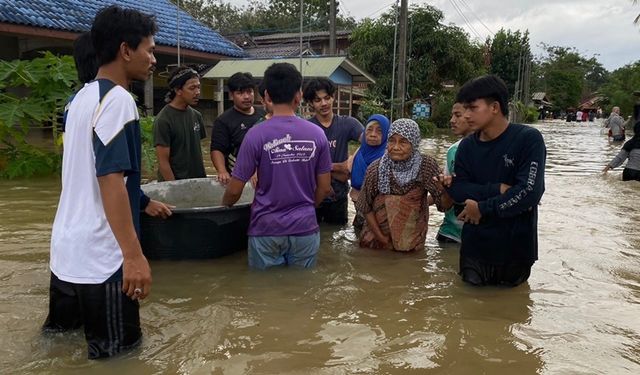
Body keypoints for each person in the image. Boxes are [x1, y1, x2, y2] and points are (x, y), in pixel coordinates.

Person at [44, 5, 172, 359]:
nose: (153, 60)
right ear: (125, 50)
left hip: (66, 252)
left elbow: (83, 172)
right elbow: (110, 179)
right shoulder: (118, 100)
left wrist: (143, 201)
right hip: (103, 259)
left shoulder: (78, 100)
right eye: (149, 50)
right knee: (119, 358)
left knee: (58, 346)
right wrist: (133, 256)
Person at [222, 63, 332, 269]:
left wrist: (224, 204)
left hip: (266, 230)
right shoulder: (317, 134)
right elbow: (324, 188)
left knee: (265, 294)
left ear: (267, 95)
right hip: (305, 229)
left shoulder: (255, 134)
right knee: (303, 291)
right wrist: (307, 208)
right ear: (299, 95)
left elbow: (235, 189)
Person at [446, 75, 546, 287]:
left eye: (472, 108)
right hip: (474, 248)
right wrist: (499, 188)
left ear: (494, 107)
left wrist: (482, 208)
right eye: (465, 108)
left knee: (509, 312)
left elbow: (529, 193)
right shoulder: (466, 147)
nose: (466, 115)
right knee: (469, 309)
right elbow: (459, 189)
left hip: (516, 250)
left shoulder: (528, 139)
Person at [356, 119, 452, 252]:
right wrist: (382, 238)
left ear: (414, 143)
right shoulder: (376, 169)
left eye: (403, 142)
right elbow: (364, 206)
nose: (395, 147)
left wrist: (445, 190)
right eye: (391, 140)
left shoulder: (426, 166)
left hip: (412, 239)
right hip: (377, 239)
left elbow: (444, 207)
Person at [304, 78, 364, 225]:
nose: (324, 103)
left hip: (339, 195)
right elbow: (302, 162)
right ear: (311, 103)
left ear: (333, 97)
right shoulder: (306, 128)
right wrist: (338, 167)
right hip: (312, 194)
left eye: (327, 98)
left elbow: (372, 142)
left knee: (336, 239)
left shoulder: (348, 123)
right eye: (318, 100)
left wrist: (352, 160)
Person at [210, 72, 265, 184]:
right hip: (238, 177)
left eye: (249, 92)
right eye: (240, 93)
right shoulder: (223, 121)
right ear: (231, 95)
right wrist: (222, 171)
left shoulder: (263, 115)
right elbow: (217, 149)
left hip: (263, 174)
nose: (246, 97)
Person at [153, 66, 207, 181]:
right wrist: (174, 188)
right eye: (192, 88)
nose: (197, 92)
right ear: (178, 90)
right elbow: (163, 162)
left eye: (198, 87)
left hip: (197, 182)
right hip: (173, 185)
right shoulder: (163, 120)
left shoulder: (197, 116)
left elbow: (197, 151)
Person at [436, 102, 474, 244]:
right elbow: (446, 193)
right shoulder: (453, 150)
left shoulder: (496, 151)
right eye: (452, 115)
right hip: (450, 233)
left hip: (480, 237)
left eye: (458, 115)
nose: (452, 120)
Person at [349, 114, 390, 229]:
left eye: (379, 131)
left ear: (387, 134)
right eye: (369, 130)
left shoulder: (389, 157)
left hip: (379, 214)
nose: (373, 134)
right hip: (359, 210)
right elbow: (347, 172)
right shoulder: (360, 152)